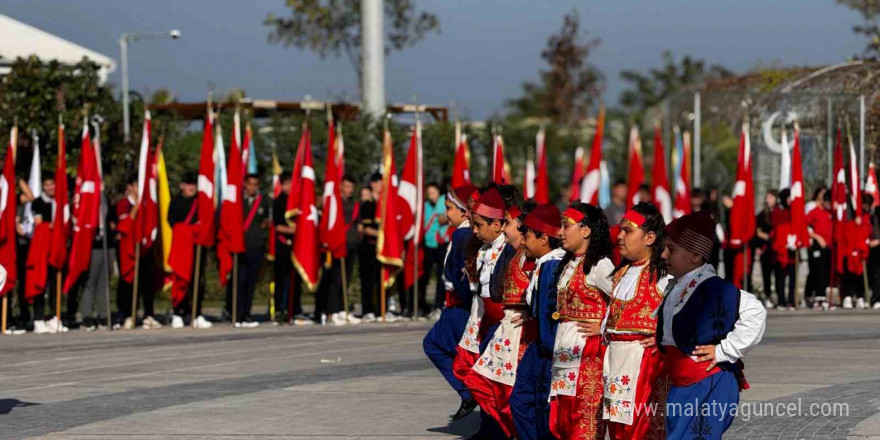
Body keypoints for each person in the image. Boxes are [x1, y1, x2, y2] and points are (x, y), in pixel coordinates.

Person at [656, 210, 766, 440]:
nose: (664, 254)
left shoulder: (712, 287)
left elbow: (755, 311)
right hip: (684, 385)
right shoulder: (677, 284)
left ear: (695, 255)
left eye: (671, 249)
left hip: (708, 384)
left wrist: (725, 350)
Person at [464, 200, 535, 439]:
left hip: (520, 337)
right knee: (483, 383)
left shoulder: (539, 260)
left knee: (513, 395)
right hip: (500, 328)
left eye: (509, 224)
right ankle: (494, 432)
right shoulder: (517, 256)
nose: (504, 229)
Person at [601, 203, 669, 440]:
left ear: (649, 237)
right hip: (615, 364)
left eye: (627, 231)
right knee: (617, 430)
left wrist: (663, 336)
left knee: (639, 432)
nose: (619, 236)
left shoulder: (664, 277)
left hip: (643, 367)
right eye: (620, 230)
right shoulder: (619, 274)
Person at [548, 203, 615, 440]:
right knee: (563, 418)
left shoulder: (600, 265)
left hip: (588, 355)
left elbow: (623, 300)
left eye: (567, 226)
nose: (560, 232)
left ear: (586, 231)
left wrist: (604, 326)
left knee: (584, 420)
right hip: (565, 351)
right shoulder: (569, 263)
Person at [508, 203, 566, 440]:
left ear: (544, 239)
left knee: (539, 404)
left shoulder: (553, 266)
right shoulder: (544, 264)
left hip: (547, 348)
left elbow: (548, 314)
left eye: (527, 235)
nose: (522, 242)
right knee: (522, 399)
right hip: (540, 345)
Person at [423, 184, 480, 421]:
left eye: (450, 208)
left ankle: (470, 392)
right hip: (461, 306)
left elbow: (461, 275)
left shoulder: (462, 234)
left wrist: (463, 301)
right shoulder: (466, 233)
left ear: (465, 211)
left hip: (459, 307)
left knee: (434, 345)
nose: (447, 213)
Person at [315, 174, 360, 325]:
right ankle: (332, 311)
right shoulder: (334, 203)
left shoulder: (354, 204)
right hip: (337, 246)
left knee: (346, 280)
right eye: (347, 186)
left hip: (351, 245)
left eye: (351, 187)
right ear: (340, 186)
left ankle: (342, 310)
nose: (349, 190)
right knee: (335, 280)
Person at [168, 171, 211, 329]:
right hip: (182, 248)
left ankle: (196, 313)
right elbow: (172, 222)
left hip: (198, 247)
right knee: (180, 281)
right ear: (182, 186)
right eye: (188, 185)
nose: (191, 188)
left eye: (193, 185)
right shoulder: (175, 202)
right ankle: (178, 312)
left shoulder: (201, 203)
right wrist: (190, 230)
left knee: (198, 281)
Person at [116, 178, 160, 330]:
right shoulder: (123, 204)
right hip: (128, 250)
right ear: (130, 187)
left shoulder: (148, 204)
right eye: (136, 185)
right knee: (128, 283)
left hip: (144, 248)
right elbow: (126, 224)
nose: (139, 188)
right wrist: (138, 205)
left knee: (147, 283)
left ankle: (149, 314)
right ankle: (128, 314)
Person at [230, 174, 270, 328]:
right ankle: (236, 313)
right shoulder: (237, 201)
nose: (252, 187)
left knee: (251, 282)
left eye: (255, 184)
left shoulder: (263, 201)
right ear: (245, 185)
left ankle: (247, 313)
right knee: (239, 281)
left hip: (256, 246)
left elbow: (265, 221)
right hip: (240, 246)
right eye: (250, 184)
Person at [29, 175, 67, 333]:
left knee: (54, 284)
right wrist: (52, 226)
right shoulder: (38, 202)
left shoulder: (60, 202)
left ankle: (53, 317)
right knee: (40, 282)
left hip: (55, 248)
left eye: (52, 184)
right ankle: (38, 318)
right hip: (42, 248)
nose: (50, 187)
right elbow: (38, 224)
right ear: (43, 186)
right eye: (47, 184)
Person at [423, 182, 450, 318]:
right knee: (429, 275)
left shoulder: (444, 200)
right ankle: (430, 306)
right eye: (429, 193)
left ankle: (440, 304)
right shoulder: (432, 204)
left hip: (444, 242)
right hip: (433, 243)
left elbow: (443, 218)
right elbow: (438, 219)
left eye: (433, 192)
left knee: (442, 275)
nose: (431, 196)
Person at [358, 174, 382, 322]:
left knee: (380, 281)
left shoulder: (384, 205)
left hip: (380, 250)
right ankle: (367, 310)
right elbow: (366, 229)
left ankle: (381, 310)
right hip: (368, 248)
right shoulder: (368, 205)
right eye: (380, 182)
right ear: (373, 184)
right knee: (368, 281)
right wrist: (383, 235)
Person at [806, 191, 833, 308]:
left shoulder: (831, 213)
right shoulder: (814, 212)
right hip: (817, 246)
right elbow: (804, 226)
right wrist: (817, 237)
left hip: (829, 246)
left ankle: (822, 295)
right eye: (827, 202)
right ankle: (815, 295)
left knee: (826, 271)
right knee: (817, 270)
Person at [770, 189, 796, 309]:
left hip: (792, 248)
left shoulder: (794, 211)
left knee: (792, 276)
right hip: (781, 248)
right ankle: (781, 300)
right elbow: (776, 228)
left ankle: (792, 300)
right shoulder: (777, 212)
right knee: (780, 276)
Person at [755, 190, 778, 308]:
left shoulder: (780, 213)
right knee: (766, 273)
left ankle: (779, 297)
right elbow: (758, 232)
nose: (768, 200)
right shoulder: (762, 215)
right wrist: (761, 242)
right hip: (766, 248)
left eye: (771, 197)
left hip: (778, 248)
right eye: (767, 197)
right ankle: (767, 295)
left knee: (779, 274)